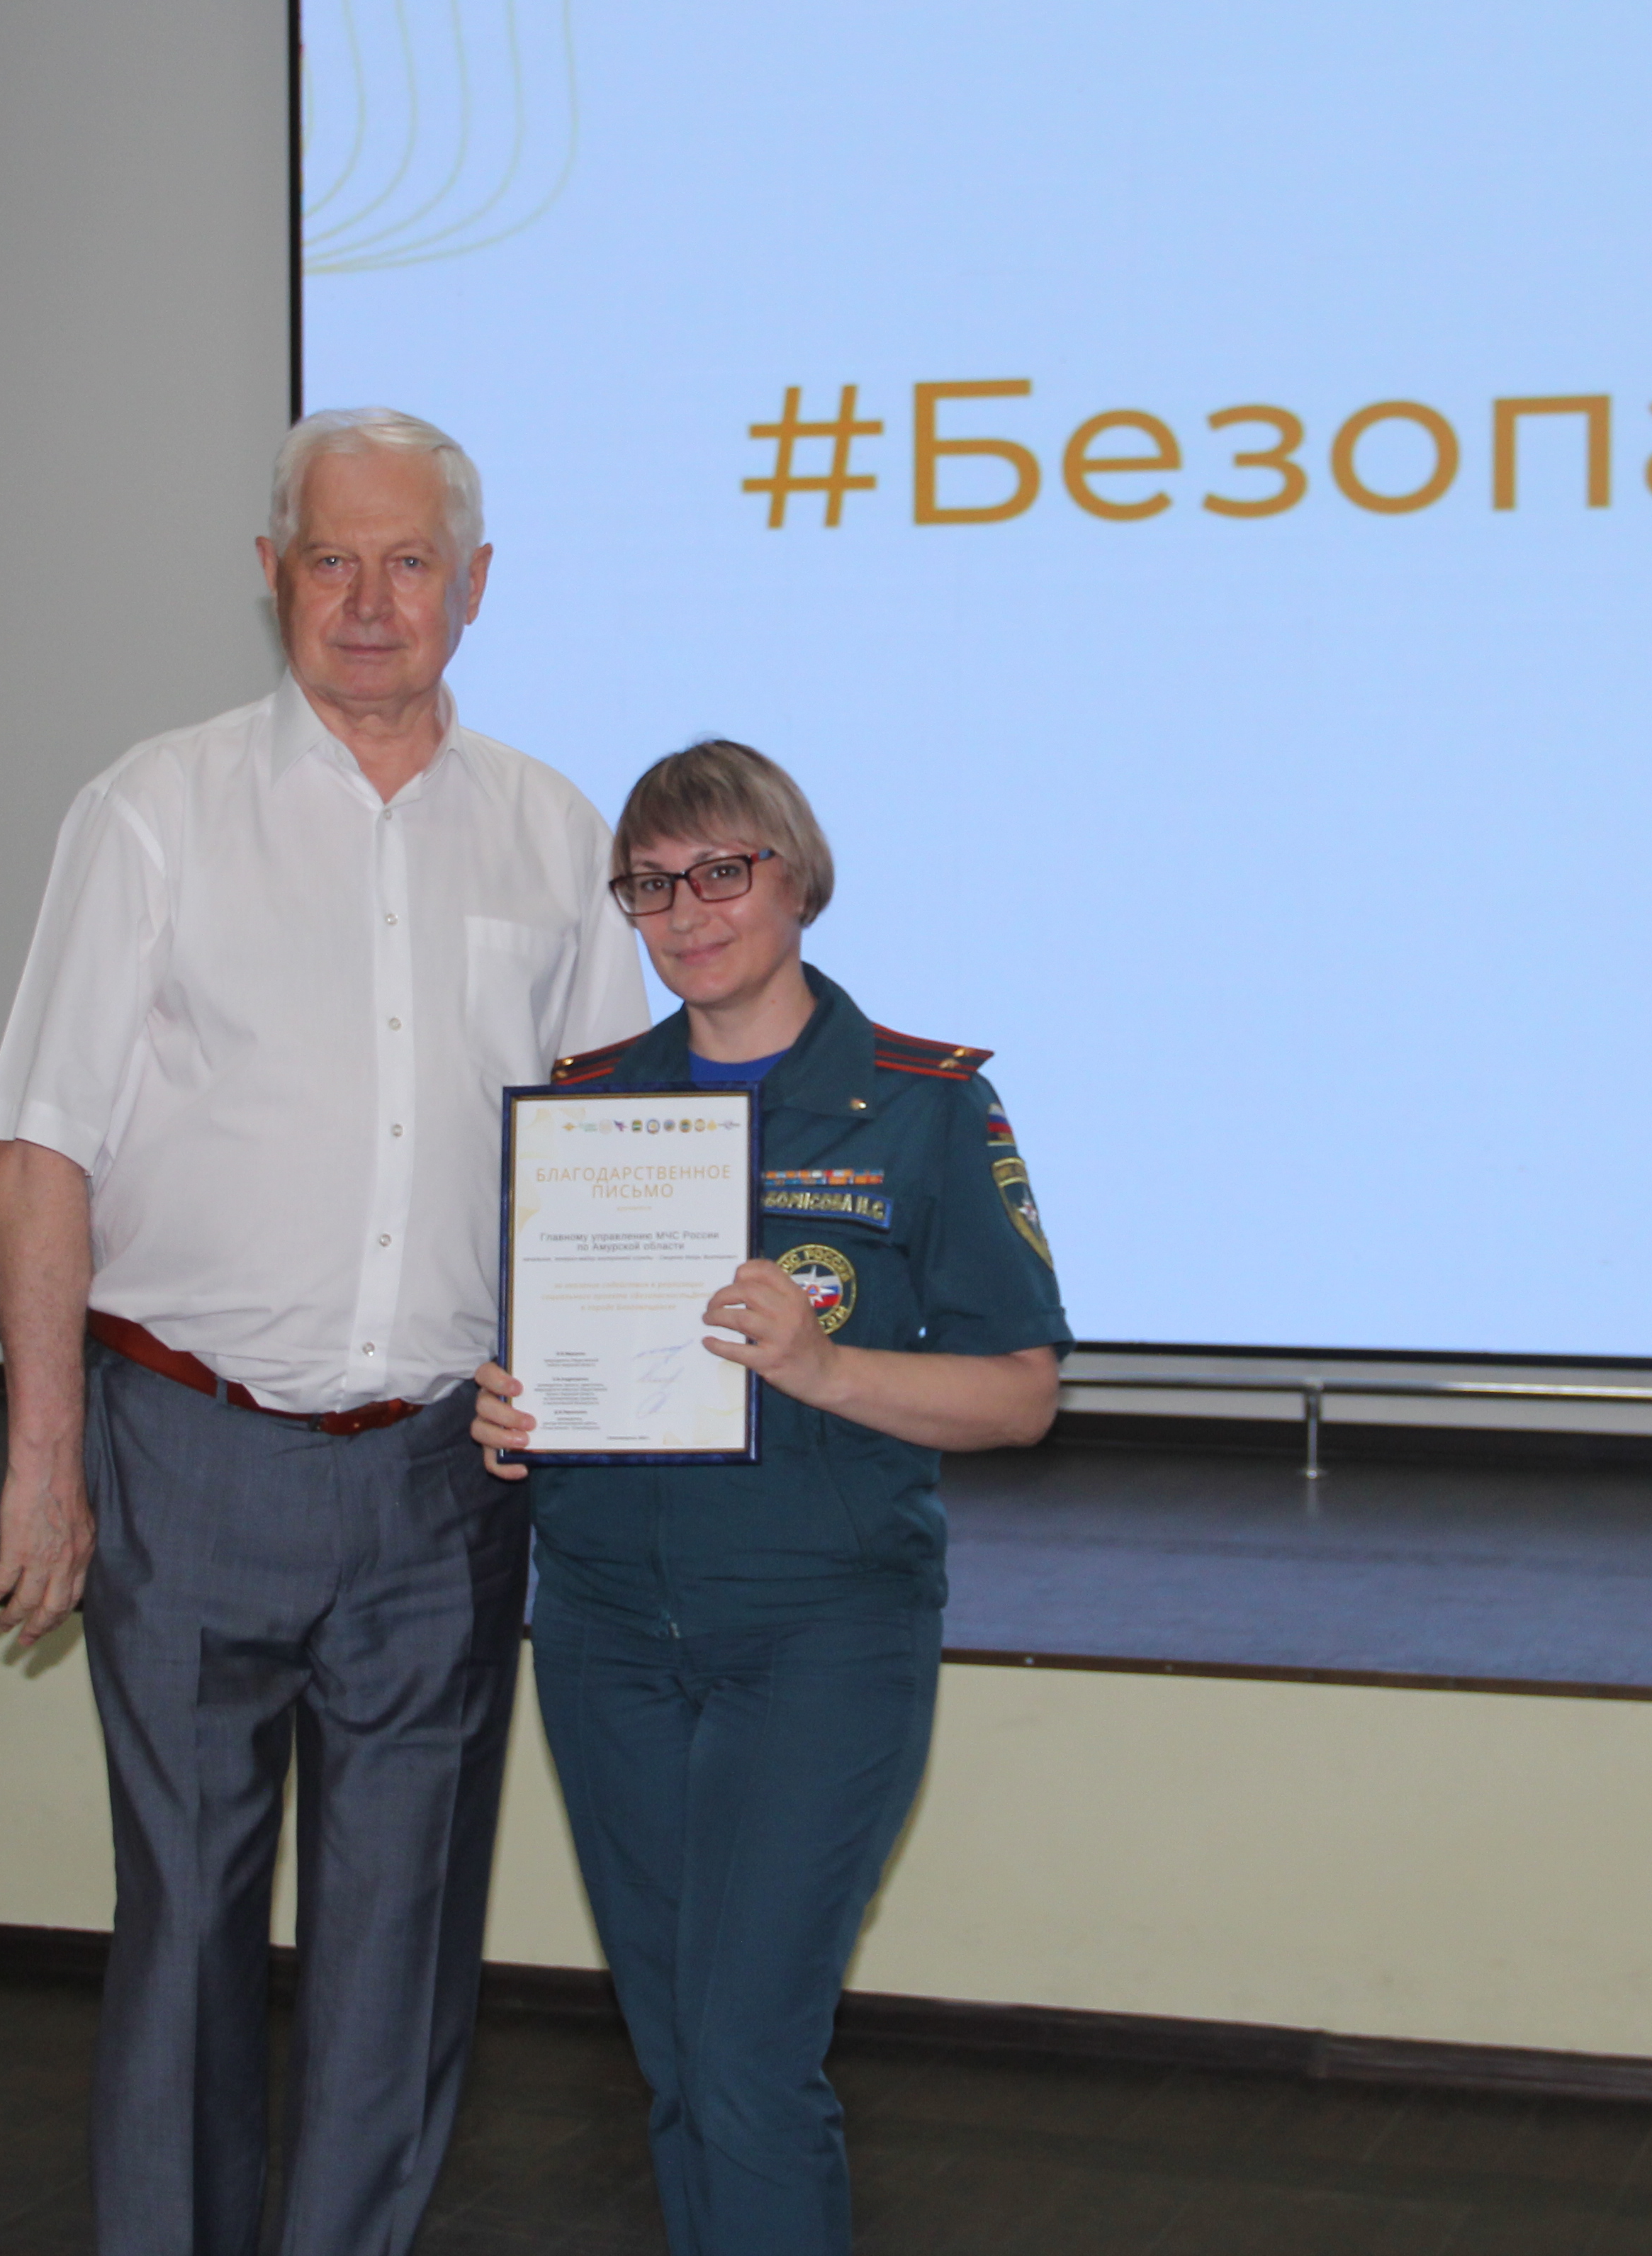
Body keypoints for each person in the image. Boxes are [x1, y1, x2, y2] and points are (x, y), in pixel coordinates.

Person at [0, 408, 649, 2256]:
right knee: (188, 1927)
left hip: (445, 1486)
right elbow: (36, 1146)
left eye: (408, 562)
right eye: (331, 561)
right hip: (186, 1460)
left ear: (475, 586)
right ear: (270, 576)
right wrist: (45, 1467)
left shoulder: (554, 834)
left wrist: (597, 1405)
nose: (369, 601)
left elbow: (610, 1164)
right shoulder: (153, 811)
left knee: (403, 1954)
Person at [470, 740, 1068, 2256]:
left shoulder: (926, 1105)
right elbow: (555, 1347)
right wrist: (512, 1411)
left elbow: (1020, 1396)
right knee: (680, 2061)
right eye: (651, 885)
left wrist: (827, 1368)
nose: (688, 912)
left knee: (745, 2063)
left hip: (820, 1637)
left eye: (722, 872)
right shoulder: (588, 1108)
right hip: (604, 1633)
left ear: (797, 879)